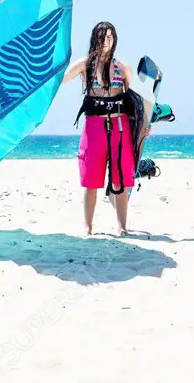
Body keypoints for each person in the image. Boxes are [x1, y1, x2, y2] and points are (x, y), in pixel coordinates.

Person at [61, 22, 146, 237]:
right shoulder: (84, 65)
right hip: (94, 127)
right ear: (94, 39)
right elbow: (60, 80)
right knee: (90, 180)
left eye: (110, 37)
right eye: (102, 36)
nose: (106, 41)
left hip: (120, 126)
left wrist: (145, 127)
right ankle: (88, 227)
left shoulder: (123, 67)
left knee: (120, 178)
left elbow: (137, 100)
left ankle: (122, 227)